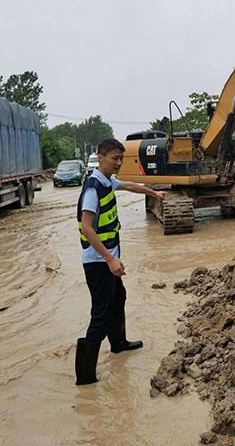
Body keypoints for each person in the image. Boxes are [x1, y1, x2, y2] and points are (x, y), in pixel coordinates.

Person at [75, 138, 165, 385]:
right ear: (100, 156)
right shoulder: (93, 188)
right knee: (101, 315)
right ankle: (84, 378)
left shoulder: (107, 181)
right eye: (114, 158)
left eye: (120, 159)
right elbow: (87, 228)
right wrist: (110, 261)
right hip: (97, 262)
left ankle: (119, 344)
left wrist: (153, 192)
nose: (118, 163)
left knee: (119, 298)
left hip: (108, 258)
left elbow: (129, 186)